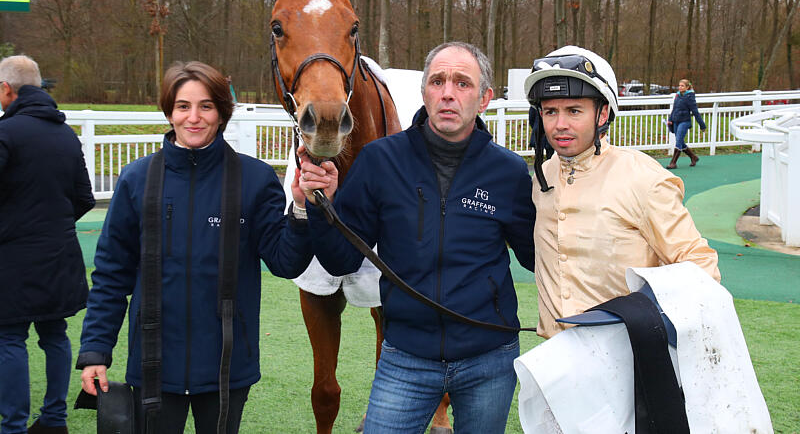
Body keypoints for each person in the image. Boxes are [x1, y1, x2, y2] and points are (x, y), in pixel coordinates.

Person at [297, 41, 535, 434]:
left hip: (489, 359)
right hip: (405, 357)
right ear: (424, 91)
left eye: (462, 83)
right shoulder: (380, 161)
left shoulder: (508, 173)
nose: (447, 93)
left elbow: (533, 255)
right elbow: (341, 260)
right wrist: (323, 205)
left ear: (485, 98)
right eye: (438, 81)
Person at [76, 61, 314, 433]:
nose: (194, 117)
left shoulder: (255, 179)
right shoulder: (136, 179)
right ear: (169, 111)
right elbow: (111, 275)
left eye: (206, 106)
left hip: (228, 369)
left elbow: (285, 262)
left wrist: (300, 207)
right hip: (154, 367)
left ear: (222, 112)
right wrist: (94, 351)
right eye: (183, 106)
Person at [524, 45, 720, 339]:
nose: (560, 125)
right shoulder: (543, 175)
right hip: (554, 361)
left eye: (574, 111)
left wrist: (648, 320)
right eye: (550, 111)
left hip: (628, 361)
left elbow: (702, 268)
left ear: (603, 113)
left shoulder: (643, 178)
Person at [0, 55, 95, 434]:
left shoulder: (6, 133)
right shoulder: (64, 134)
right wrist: (52, 225)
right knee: (54, 334)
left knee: (9, 337)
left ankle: (13, 427)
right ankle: (54, 419)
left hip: (13, 254)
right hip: (59, 251)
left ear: (7, 89)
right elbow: (85, 197)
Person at [666, 78, 706, 169]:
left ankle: (673, 162)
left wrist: (702, 125)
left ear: (687, 87)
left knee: (679, 140)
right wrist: (670, 119)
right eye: (679, 85)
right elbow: (674, 109)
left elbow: (695, 112)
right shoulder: (677, 95)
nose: (680, 87)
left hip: (685, 121)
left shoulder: (690, 97)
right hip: (676, 120)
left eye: (682, 86)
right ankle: (693, 157)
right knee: (680, 142)